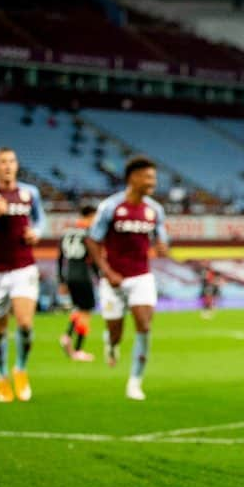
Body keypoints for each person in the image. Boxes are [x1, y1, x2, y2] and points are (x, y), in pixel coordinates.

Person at [85, 156, 169, 400]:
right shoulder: (111, 207)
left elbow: (162, 238)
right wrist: (107, 271)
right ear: (133, 177)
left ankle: (135, 382)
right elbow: (92, 240)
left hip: (142, 277)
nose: (153, 181)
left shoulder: (155, 210)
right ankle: (110, 344)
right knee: (116, 333)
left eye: (154, 177)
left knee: (144, 325)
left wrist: (163, 246)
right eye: (148, 177)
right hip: (113, 279)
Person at [0, 147, 46, 402]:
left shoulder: (30, 193)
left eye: (12, 161)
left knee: (25, 324)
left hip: (24, 267)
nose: (8, 166)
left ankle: (21, 369)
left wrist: (36, 233)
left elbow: (40, 221)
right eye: (2, 162)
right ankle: (2, 376)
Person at [58, 204, 98, 361]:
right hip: (83, 275)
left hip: (69, 275)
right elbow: (93, 258)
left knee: (79, 309)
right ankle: (78, 350)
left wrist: (61, 280)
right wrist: (100, 277)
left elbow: (60, 259)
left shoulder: (67, 232)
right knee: (86, 312)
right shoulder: (89, 234)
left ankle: (67, 336)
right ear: (89, 216)